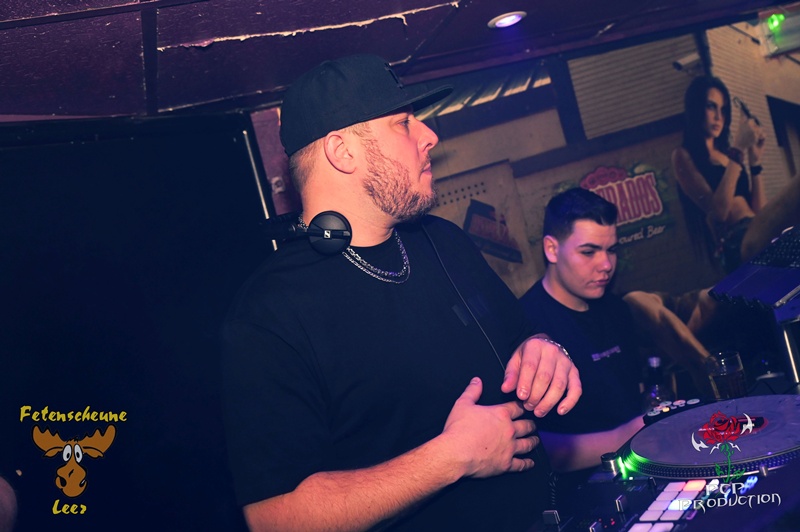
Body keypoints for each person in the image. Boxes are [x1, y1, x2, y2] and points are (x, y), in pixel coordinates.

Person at [220, 54, 581, 531]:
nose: (429, 135)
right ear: (342, 152)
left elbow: (521, 336)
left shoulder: (444, 241)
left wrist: (544, 348)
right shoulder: (269, 315)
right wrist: (451, 458)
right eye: (403, 123)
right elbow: (275, 519)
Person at [518, 188, 644, 476]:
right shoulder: (526, 329)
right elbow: (536, 448)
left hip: (638, 472)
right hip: (579, 490)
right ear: (552, 249)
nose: (606, 265)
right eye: (588, 252)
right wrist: (624, 437)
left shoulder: (617, 309)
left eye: (611, 250)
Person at [672, 75, 800, 274]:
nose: (718, 117)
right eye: (711, 106)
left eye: (723, 109)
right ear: (696, 108)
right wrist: (739, 147)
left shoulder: (726, 155)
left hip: (757, 228)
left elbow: (759, 210)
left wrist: (755, 162)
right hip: (736, 241)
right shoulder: (683, 156)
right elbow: (719, 212)